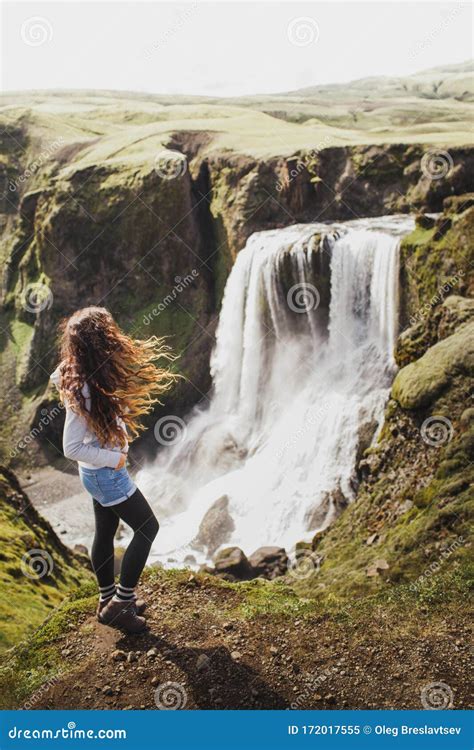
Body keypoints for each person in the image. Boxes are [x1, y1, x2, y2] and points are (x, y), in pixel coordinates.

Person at [50, 306, 177, 633]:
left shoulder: (80, 373)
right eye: (108, 332)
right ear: (98, 341)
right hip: (106, 474)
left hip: (95, 475)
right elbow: (71, 448)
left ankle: (107, 599)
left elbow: (58, 376)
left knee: (105, 532)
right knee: (148, 528)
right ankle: (121, 604)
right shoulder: (84, 388)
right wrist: (115, 459)